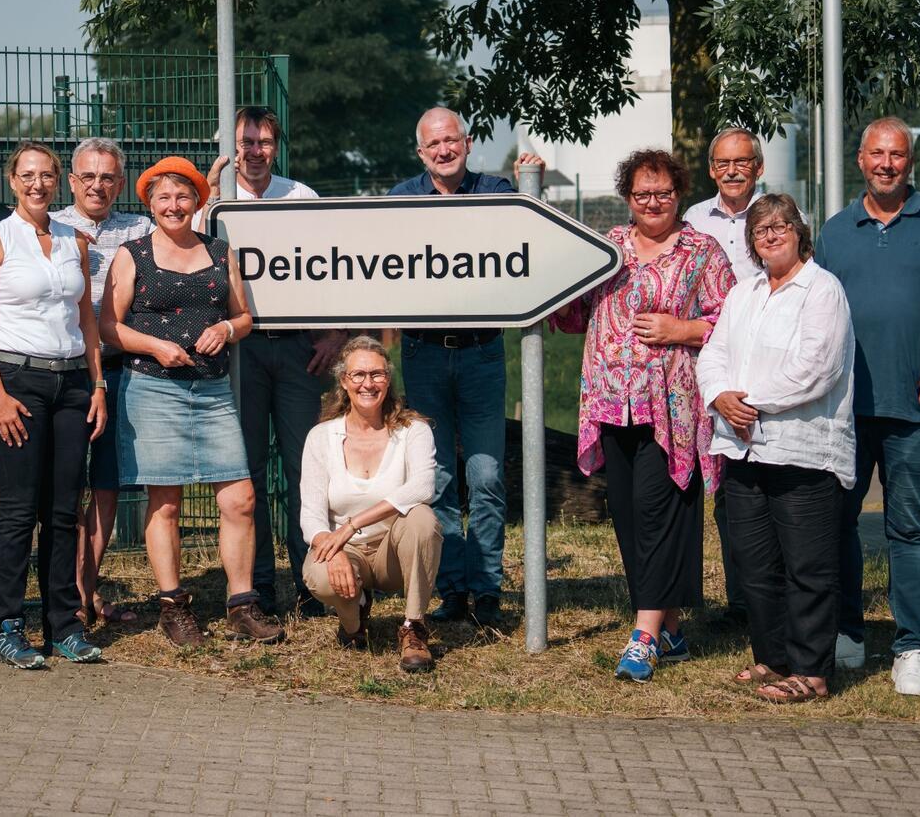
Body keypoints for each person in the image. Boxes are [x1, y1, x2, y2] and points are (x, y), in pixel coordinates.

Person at [551, 149, 734, 681]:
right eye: (642, 194)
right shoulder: (608, 248)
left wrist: (682, 330)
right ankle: (671, 628)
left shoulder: (703, 251)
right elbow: (573, 313)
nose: (653, 203)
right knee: (630, 516)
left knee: (657, 512)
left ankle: (644, 635)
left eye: (663, 193)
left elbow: (733, 318)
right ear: (627, 198)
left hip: (670, 405)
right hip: (610, 401)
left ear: (679, 194)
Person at [100, 156, 286, 647]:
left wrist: (225, 328)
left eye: (183, 196)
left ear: (197, 201)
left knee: (240, 498)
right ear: (149, 202)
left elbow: (244, 317)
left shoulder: (221, 251)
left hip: (212, 390)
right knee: (165, 503)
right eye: (163, 197)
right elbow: (108, 326)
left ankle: (242, 605)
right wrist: (155, 345)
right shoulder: (131, 254)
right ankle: (172, 606)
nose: (173, 205)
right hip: (153, 388)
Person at [815, 116, 920, 696]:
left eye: (896, 155)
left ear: (910, 161)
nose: (886, 164)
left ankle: (911, 648)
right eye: (877, 154)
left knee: (909, 529)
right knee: (836, 527)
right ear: (860, 160)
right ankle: (847, 634)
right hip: (843, 412)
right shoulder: (834, 232)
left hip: (914, 411)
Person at [696, 194, 855, 703]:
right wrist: (720, 396)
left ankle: (812, 672)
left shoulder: (822, 290)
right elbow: (714, 353)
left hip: (801, 450)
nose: (770, 234)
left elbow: (817, 367)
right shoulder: (745, 293)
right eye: (761, 228)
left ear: (798, 231)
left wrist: (750, 404)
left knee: (807, 567)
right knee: (755, 564)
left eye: (781, 225)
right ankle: (773, 658)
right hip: (742, 451)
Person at [387, 106, 542, 627]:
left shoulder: (498, 193)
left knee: (488, 474)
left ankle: (488, 589)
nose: (443, 150)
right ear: (420, 152)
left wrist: (530, 188)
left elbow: (525, 245)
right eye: (433, 145)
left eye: (451, 140)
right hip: (423, 355)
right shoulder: (401, 201)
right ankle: (451, 589)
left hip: (481, 353)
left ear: (468, 142)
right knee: (439, 479)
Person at [0, 142, 107, 669]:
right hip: (15, 383)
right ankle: (6, 624)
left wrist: (98, 387)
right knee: (19, 511)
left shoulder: (76, 239)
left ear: (59, 182)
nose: (38, 184)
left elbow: (87, 321)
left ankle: (63, 625)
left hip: (71, 384)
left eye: (47, 175)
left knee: (64, 511)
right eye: (28, 175)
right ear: (12, 181)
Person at [204, 107, 346, 617]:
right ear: (232, 146)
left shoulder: (300, 196)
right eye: (247, 142)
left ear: (276, 146)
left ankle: (311, 581)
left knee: (304, 467)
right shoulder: (215, 203)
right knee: (248, 472)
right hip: (239, 349)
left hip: (296, 350)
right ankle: (258, 585)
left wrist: (334, 334)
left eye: (265, 142)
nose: (256, 151)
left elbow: (336, 268)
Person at [51, 138, 153, 628]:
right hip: (65, 373)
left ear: (120, 183)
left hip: (121, 371)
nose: (97, 185)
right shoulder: (47, 226)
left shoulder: (141, 228)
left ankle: (87, 594)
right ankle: (63, 597)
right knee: (62, 492)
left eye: (108, 177)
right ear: (72, 181)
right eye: (88, 176)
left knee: (106, 490)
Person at [300, 336, 443, 673]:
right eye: (358, 375)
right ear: (343, 381)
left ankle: (413, 627)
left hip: (394, 550)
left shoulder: (413, 430)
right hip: (345, 550)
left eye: (377, 374)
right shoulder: (322, 437)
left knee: (422, 518)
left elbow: (423, 487)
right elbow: (311, 514)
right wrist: (332, 550)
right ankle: (354, 622)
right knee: (320, 575)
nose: (368, 383)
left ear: (388, 380)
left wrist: (352, 523)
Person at [683, 127, 771, 624]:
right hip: (706, 360)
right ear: (712, 169)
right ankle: (732, 604)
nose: (732, 171)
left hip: (765, 362)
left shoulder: (782, 214)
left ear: (758, 167)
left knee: (759, 479)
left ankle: (759, 598)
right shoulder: (695, 220)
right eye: (723, 163)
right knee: (718, 481)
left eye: (742, 162)